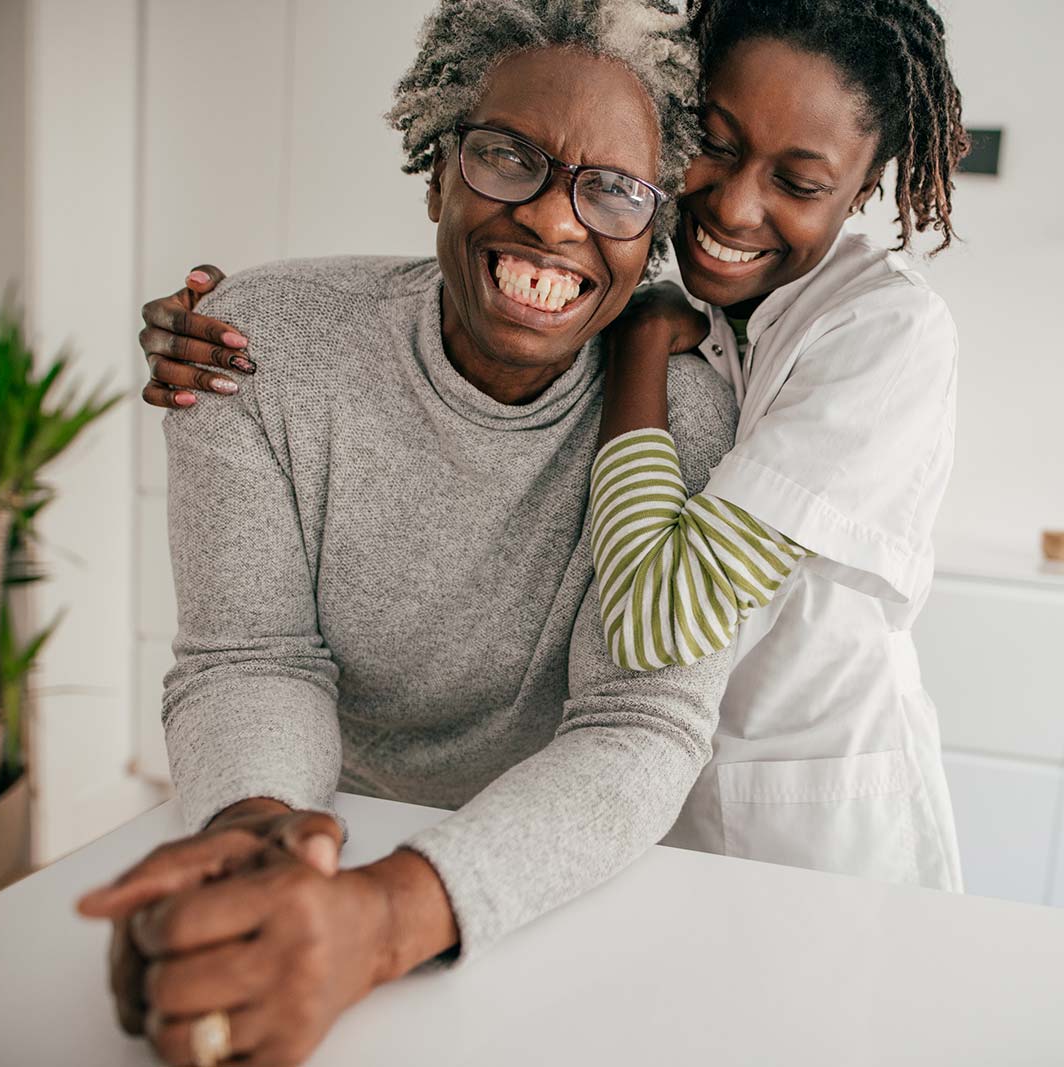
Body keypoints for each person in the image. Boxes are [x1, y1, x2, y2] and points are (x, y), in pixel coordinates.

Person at [138, 0, 970, 892]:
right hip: (603, 822)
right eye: (718, 147)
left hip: (806, 814)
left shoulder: (876, 334)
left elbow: (659, 623)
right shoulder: (682, 307)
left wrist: (641, 354)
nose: (733, 203)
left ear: (863, 190)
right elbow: (252, 655)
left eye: (800, 183)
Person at [77, 3, 738, 1066]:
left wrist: (383, 921)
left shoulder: (686, 414)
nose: (557, 222)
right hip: (321, 821)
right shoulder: (258, 345)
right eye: (507, 156)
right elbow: (253, 654)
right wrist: (254, 842)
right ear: (438, 173)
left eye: (612, 190)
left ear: (648, 235)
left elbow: (637, 726)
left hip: (552, 881)